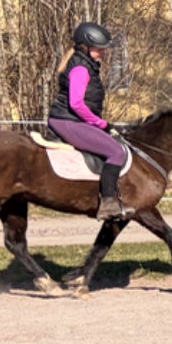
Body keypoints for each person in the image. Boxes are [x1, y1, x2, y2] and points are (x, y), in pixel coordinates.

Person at [48, 21, 130, 218]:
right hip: (69, 121)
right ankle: (108, 204)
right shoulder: (81, 69)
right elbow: (76, 104)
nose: (104, 52)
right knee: (116, 152)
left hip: (71, 120)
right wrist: (101, 123)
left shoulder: (86, 64)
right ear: (85, 47)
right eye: (99, 49)